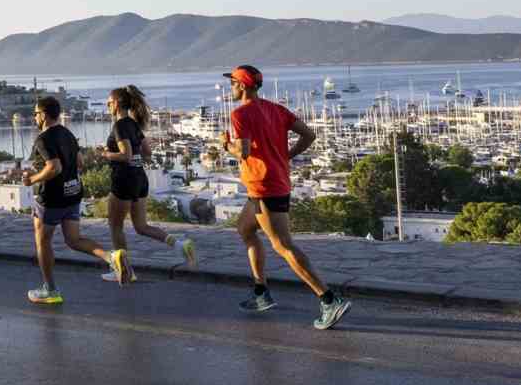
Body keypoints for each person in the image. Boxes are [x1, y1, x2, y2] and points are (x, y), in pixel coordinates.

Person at [222, 65, 350, 330]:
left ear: (242, 86)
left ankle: (328, 299)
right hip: (273, 182)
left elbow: (244, 153)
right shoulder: (275, 109)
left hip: (264, 187)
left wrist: (226, 145)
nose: (230, 87)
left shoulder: (239, 114)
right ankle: (261, 292)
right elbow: (309, 134)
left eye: (232, 83)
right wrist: (286, 156)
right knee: (245, 229)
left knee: (283, 246)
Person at [19, 96, 127, 304]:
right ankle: (111, 257)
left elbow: (54, 167)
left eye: (35, 114)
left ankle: (50, 290)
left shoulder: (43, 139)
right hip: (73, 193)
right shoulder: (68, 134)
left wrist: (33, 178)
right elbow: (79, 162)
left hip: (51, 198)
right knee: (74, 240)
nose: (34, 118)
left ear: (43, 115)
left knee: (43, 242)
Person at [101, 86, 197, 282]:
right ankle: (179, 245)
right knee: (141, 226)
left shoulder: (119, 126)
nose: (107, 105)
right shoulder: (134, 125)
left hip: (124, 180)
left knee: (115, 226)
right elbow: (147, 152)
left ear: (117, 103)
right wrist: (130, 157)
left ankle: (125, 271)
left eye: (109, 102)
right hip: (139, 179)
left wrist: (105, 154)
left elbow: (126, 155)